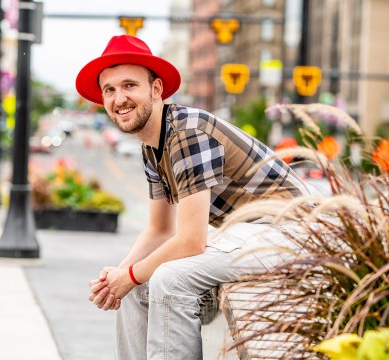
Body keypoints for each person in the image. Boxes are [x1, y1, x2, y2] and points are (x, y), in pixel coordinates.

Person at [76, 35, 310, 360]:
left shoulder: (187, 132)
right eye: (109, 90)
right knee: (135, 284)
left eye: (130, 85)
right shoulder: (151, 145)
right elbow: (159, 229)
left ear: (156, 89)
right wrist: (120, 276)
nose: (119, 98)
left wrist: (128, 275)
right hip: (246, 233)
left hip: (287, 231)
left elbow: (190, 241)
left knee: (169, 279)